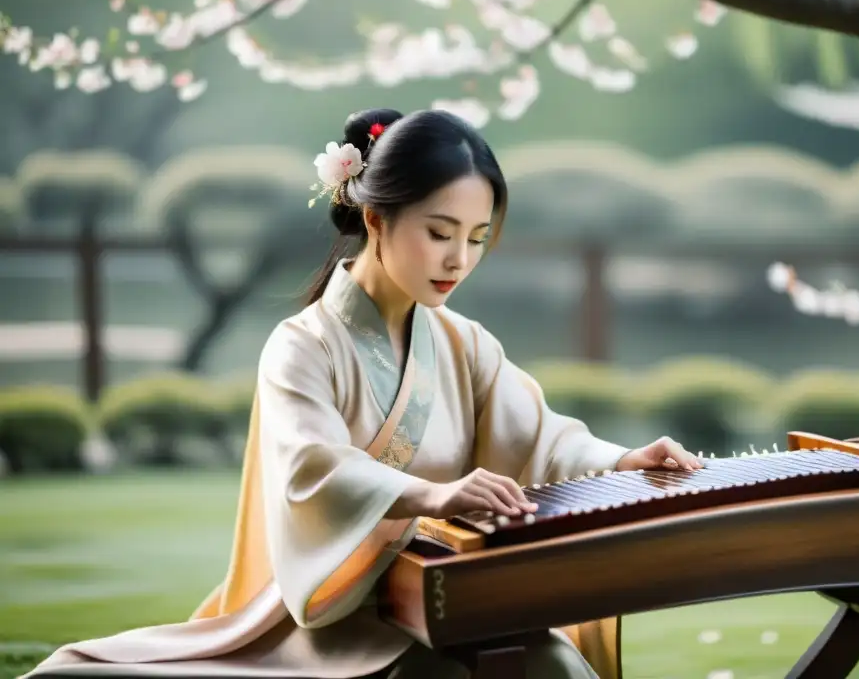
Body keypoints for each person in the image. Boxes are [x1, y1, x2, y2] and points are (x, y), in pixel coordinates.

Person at [22, 108, 702, 679]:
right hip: (345, 619)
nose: (458, 260)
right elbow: (313, 468)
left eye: (476, 238)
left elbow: (545, 437)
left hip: (449, 600)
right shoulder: (304, 347)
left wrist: (620, 461)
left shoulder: (464, 344)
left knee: (549, 665)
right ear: (375, 218)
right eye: (439, 233)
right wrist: (433, 494)